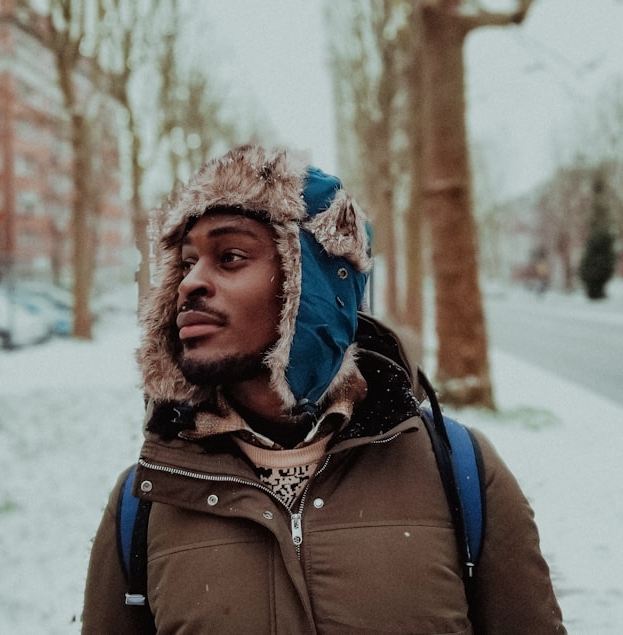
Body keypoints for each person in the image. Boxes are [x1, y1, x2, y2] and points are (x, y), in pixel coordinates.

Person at [81, 145, 565, 633]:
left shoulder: (460, 475)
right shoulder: (147, 499)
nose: (190, 284)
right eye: (186, 264)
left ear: (308, 285)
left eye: (229, 257)